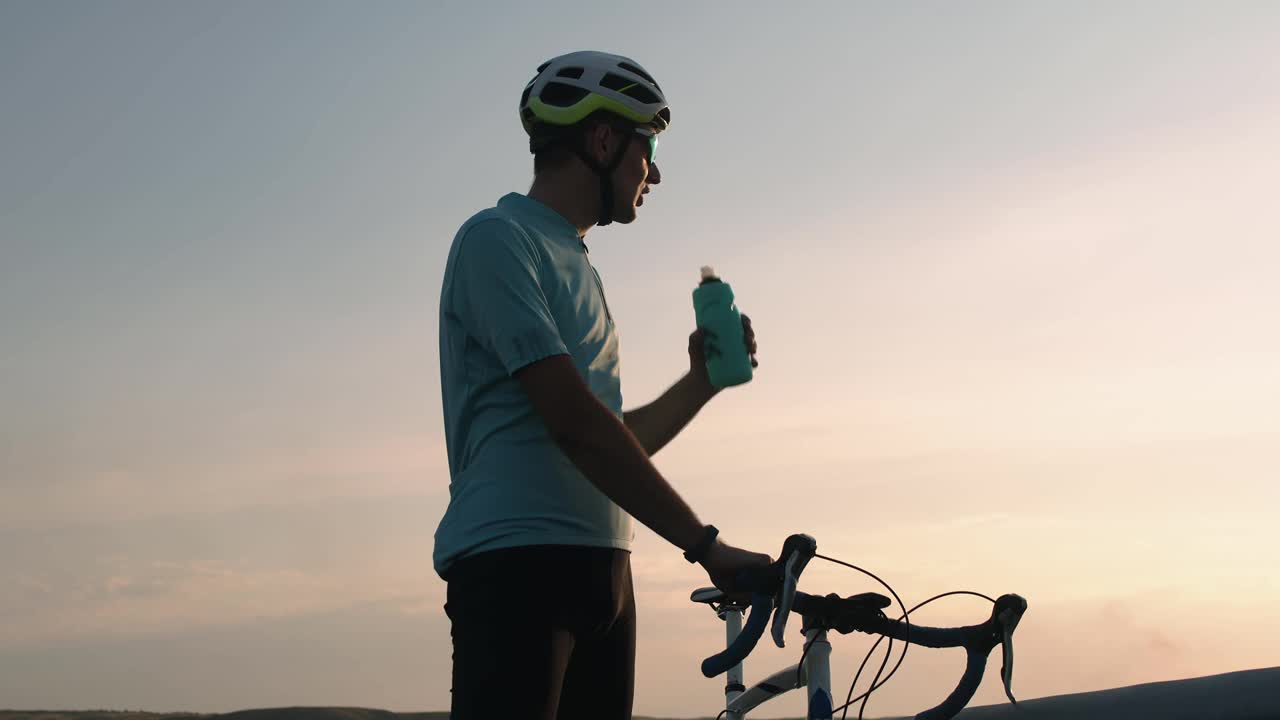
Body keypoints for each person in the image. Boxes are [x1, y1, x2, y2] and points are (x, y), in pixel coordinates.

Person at [434, 50, 773, 720]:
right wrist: (703, 545)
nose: (654, 170)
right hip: (516, 564)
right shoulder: (497, 240)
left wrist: (699, 383)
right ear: (602, 139)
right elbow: (575, 425)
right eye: (648, 145)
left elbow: (610, 438)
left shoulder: (576, 262)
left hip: (603, 569)